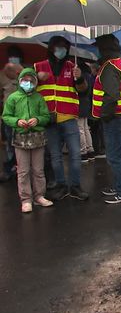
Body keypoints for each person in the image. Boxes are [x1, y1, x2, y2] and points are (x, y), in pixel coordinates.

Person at [34, 35, 89, 201]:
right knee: (55, 156)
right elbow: (25, 87)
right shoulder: (39, 67)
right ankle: (61, 185)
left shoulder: (72, 67)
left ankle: (75, 186)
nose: (61, 51)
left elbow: (83, 91)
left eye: (64, 48)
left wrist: (79, 77)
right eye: (58, 47)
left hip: (69, 118)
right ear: (51, 49)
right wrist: (36, 78)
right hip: (49, 119)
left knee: (75, 154)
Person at [2, 68, 53, 213]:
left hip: (37, 138)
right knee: (23, 171)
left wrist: (37, 120)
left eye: (31, 81)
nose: (28, 83)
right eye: (25, 80)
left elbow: (46, 116)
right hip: (20, 139)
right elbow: (6, 116)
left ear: (36, 82)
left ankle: (39, 196)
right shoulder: (13, 98)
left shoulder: (39, 98)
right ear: (20, 81)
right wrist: (17, 121)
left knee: (38, 170)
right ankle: (26, 199)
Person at [91, 34, 121, 204]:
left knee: (114, 157)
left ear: (104, 49)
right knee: (118, 155)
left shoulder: (109, 66)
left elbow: (111, 96)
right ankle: (119, 187)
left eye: (99, 48)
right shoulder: (118, 63)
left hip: (114, 118)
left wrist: (102, 116)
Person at [0, 63, 23, 182]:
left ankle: (17, 167)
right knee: (10, 143)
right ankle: (12, 168)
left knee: (19, 144)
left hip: (21, 118)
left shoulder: (24, 78)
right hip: (8, 117)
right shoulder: (2, 77)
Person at [77, 60, 95, 162]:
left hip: (80, 103)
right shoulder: (89, 75)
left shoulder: (82, 76)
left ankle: (83, 152)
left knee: (80, 129)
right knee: (85, 128)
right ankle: (90, 149)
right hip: (87, 103)